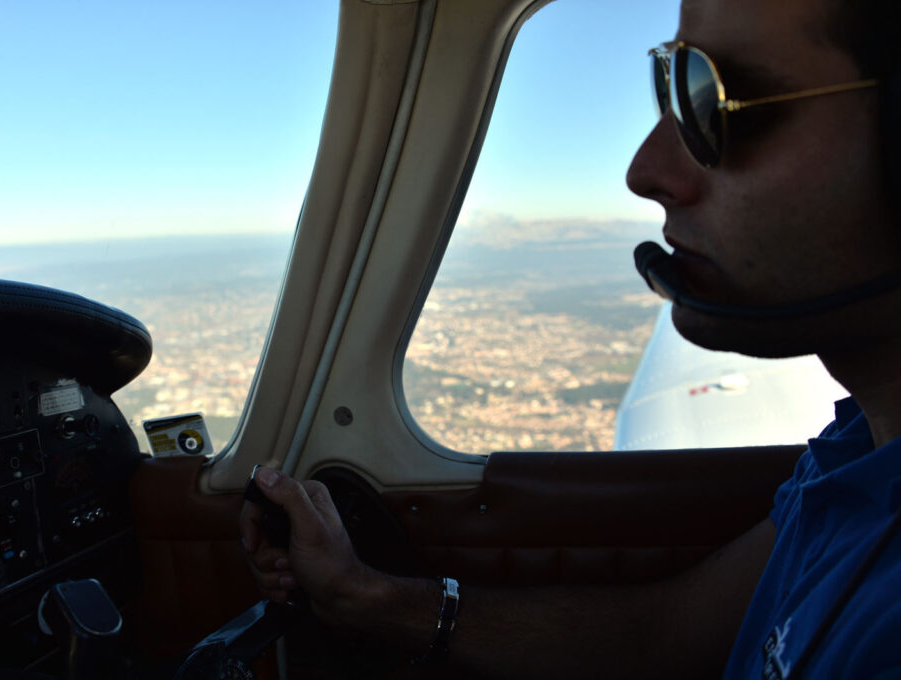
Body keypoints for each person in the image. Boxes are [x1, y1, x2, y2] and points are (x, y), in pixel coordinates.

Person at [241, 0, 901, 676]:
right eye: (673, 84)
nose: (646, 170)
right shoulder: (858, 452)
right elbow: (659, 636)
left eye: (721, 104)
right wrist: (362, 596)